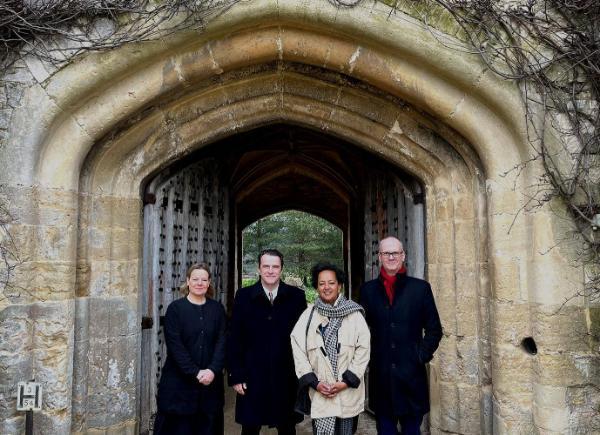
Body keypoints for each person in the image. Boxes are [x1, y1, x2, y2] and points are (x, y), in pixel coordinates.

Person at [359, 236, 443, 435]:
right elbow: (360, 332)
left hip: (411, 378)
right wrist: (370, 358)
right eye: (386, 253)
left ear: (402, 255)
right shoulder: (367, 291)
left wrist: (419, 356)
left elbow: (434, 330)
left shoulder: (420, 289)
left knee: (412, 430)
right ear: (379, 256)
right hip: (382, 379)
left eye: (395, 253)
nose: (391, 257)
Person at [228, 248, 308, 435]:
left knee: (287, 427)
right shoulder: (243, 296)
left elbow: (304, 337)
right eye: (266, 266)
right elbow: (235, 337)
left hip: (286, 374)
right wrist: (236, 375)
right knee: (250, 427)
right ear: (259, 269)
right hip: (252, 373)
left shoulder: (296, 297)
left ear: (281, 269)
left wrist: (303, 373)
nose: (270, 271)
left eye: (275, 266)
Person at [291, 262, 370, 435]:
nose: (327, 287)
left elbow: (363, 351)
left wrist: (345, 382)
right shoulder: (308, 316)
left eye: (331, 283)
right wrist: (315, 383)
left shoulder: (355, 315)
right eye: (321, 283)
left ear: (339, 285)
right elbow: (298, 350)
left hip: (347, 392)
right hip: (320, 392)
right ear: (317, 287)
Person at [154, 263, 227, 435]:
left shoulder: (217, 309)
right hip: (179, 384)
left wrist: (212, 370)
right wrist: (195, 372)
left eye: (204, 279)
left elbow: (222, 341)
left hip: (210, 383)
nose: (199, 283)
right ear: (188, 281)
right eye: (195, 279)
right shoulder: (175, 309)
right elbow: (175, 346)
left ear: (209, 283)